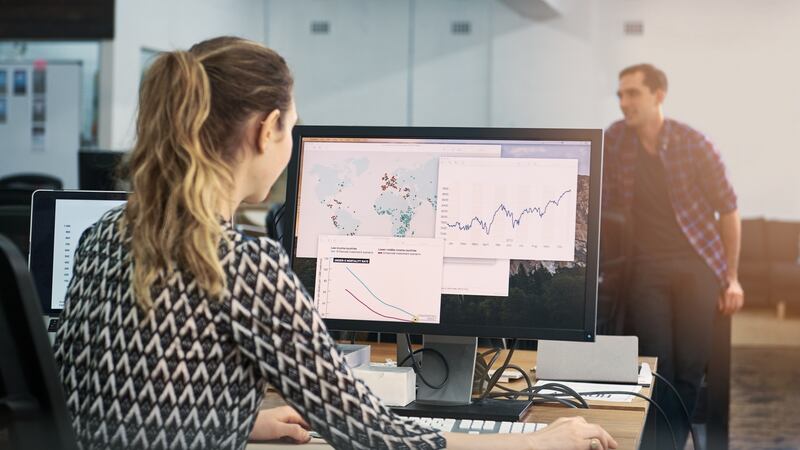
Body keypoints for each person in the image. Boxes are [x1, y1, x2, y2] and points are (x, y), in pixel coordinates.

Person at [53, 36, 616, 450]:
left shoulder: (105, 236)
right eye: (293, 128)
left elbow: (107, 399)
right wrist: (539, 441)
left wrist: (236, 418)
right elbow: (379, 436)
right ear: (266, 130)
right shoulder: (243, 267)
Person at [603, 63, 744, 448]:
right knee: (658, 368)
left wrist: (731, 278)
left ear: (658, 95)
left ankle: (664, 444)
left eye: (632, 93)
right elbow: (597, 195)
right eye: (620, 95)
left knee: (690, 367)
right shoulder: (616, 140)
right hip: (646, 270)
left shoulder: (693, 144)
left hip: (697, 267)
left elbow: (729, 210)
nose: (624, 102)